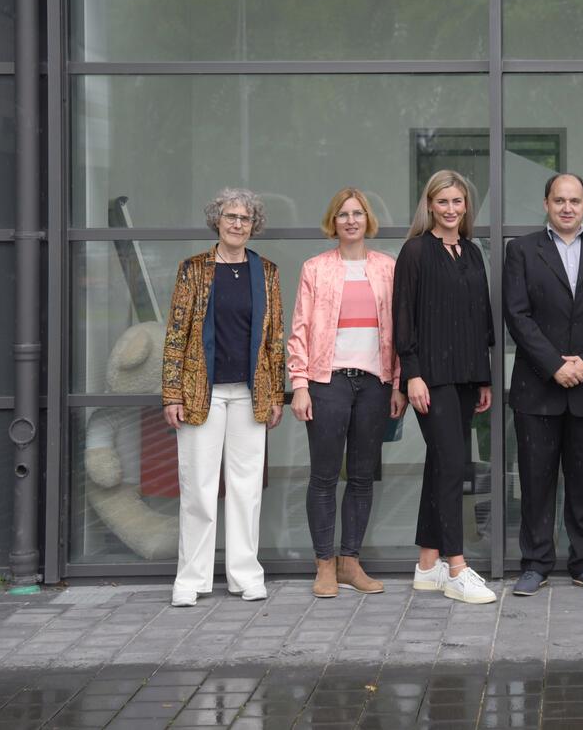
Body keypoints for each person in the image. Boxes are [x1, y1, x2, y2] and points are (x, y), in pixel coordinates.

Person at [503, 174, 583, 597]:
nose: (566, 207)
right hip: (538, 386)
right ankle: (536, 563)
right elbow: (517, 315)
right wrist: (554, 365)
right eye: (559, 200)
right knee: (536, 483)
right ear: (546, 203)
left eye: (574, 200)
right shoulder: (521, 251)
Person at [161, 188, 285, 608]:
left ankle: (245, 575)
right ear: (217, 220)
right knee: (197, 487)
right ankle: (191, 579)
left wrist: (277, 394)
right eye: (231, 216)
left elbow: (275, 339)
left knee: (246, 489)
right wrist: (171, 392)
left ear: (254, 226)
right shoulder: (193, 269)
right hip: (203, 393)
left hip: (250, 393)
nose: (237, 224)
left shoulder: (265, 271)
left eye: (245, 219)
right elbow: (176, 333)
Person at [288, 187, 407, 598]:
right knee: (323, 476)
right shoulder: (315, 268)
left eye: (358, 213)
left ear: (367, 220)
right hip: (328, 381)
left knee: (361, 477)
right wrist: (299, 385)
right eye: (343, 214)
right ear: (333, 221)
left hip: (375, 384)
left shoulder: (388, 268)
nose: (351, 220)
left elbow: (401, 331)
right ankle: (324, 565)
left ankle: (350, 563)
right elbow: (299, 329)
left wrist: (397, 383)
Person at [393, 169, 497, 605]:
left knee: (443, 465)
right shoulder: (415, 252)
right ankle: (456, 567)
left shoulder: (472, 252)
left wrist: (485, 376)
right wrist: (411, 374)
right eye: (443, 202)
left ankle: (426, 564)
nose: (451, 209)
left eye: (458, 202)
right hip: (430, 378)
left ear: (466, 206)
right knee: (454, 466)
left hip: (468, 376)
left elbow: (480, 318)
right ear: (430, 206)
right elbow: (404, 318)